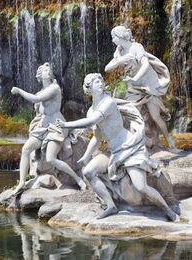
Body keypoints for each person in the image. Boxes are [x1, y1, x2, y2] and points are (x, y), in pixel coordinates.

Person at [56, 73, 177, 221]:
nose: (100, 83)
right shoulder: (90, 111)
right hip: (113, 152)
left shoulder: (108, 103)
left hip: (129, 148)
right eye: (95, 81)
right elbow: (97, 136)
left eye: (100, 80)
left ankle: (168, 210)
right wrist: (86, 155)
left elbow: (90, 122)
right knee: (88, 172)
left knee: (141, 186)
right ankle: (110, 205)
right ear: (88, 88)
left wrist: (66, 125)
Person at [11, 62, 86, 194]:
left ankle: (77, 179)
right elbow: (39, 110)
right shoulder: (41, 91)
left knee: (51, 158)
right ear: (40, 75)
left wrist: (19, 91)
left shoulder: (54, 88)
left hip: (56, 126)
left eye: (48, 70)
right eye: (44, 70)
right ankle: (22, 182)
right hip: (43, 127)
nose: (47, 71)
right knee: (26, 149)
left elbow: (36, 99)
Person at [105, 26, 176, 151]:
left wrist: (134, 78)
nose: (113, 40)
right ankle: (136, 147)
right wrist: (120, 61)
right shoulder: (119, 52)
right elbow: (107, 68)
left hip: (149, 85)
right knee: (133, 116)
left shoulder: (136, 47)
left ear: (121, 36)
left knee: (156, 117)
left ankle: (170, 142)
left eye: (114, 37)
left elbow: (145, 64)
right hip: (134, 88)